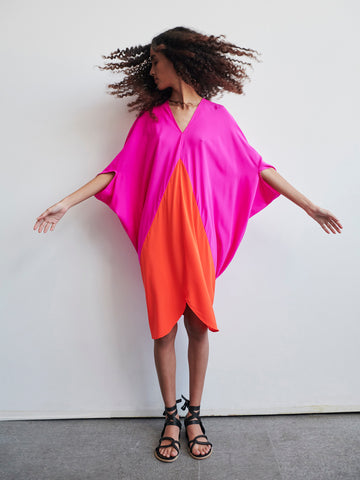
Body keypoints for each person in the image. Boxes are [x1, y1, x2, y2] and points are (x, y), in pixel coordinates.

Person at [33, 26, 343, 463]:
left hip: (199, 236)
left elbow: (257, 167)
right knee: (162, 329)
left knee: (198, 325)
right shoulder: (150, 121)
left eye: (156, 61)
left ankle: (194, 414)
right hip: (159, 235)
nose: (151, 69)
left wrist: (309, 206)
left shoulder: (218, 118)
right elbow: (118, 171)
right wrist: (65, 203)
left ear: (176, 61)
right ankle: (170, 418)